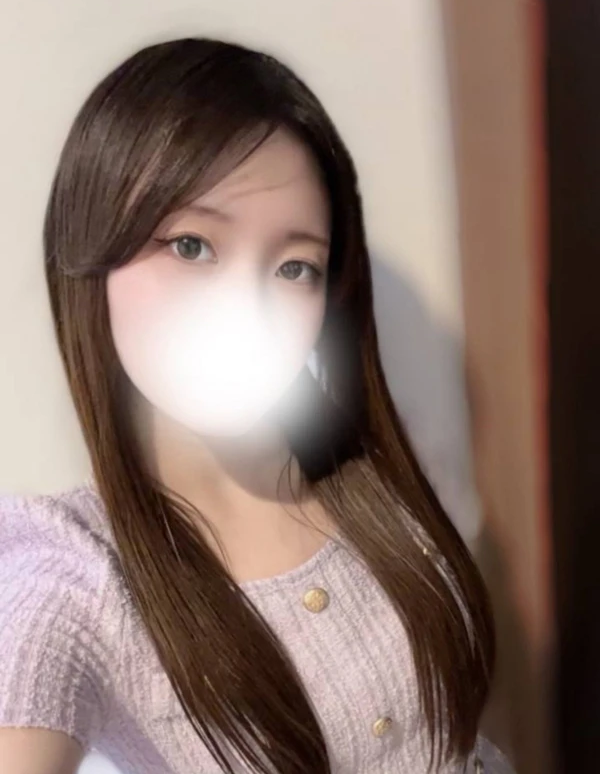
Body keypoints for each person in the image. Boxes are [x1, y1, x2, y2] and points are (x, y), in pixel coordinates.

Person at [0, 38, 515, 774]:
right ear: (91, 250)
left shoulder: (367, 468)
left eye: (294, 266)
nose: (246, 307)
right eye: (191, 246)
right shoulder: (73, 573)